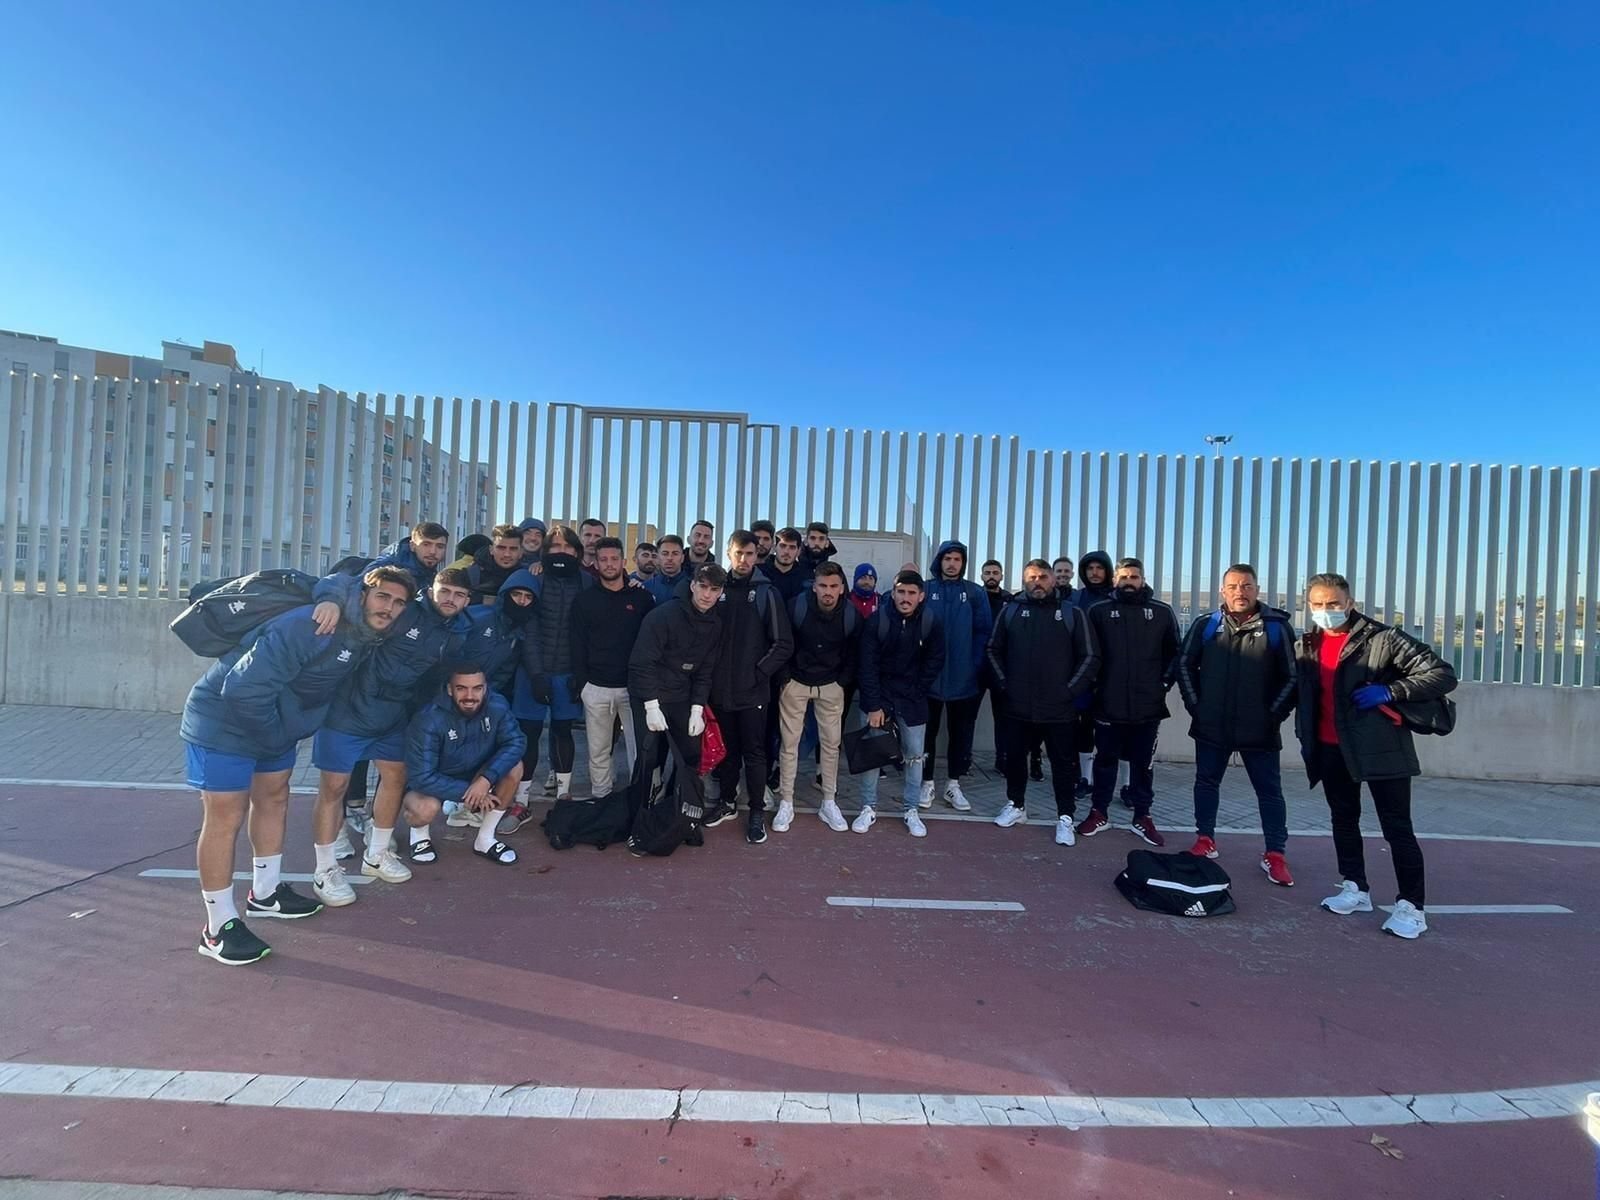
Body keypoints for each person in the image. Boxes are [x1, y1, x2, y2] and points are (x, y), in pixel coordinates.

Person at [181, 565, 413, 966]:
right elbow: (242, 689)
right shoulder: (310, 625)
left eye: (398, 603)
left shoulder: (360, 635)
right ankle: (217, 927)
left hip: (273, 723)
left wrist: (283, 731)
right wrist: (277, 734)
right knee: (225, 817)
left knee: (274, 799)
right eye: (382, 596)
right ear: (362, 595)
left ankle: (265, 894)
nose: (389, 607)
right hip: (223, 722)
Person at [1296, 572, 1457, 939]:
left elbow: (1442, 674)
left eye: (1333, 603)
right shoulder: (1306, 644)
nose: (1326, 610)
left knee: (1396, 826)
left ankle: (1412, 906)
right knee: (1343, 818)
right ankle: (1355, 887)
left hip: (1381, 749)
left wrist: (1391, 691)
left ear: (1350, 603)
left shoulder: (1384, 638)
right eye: (1318, 604)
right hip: (1330, 747)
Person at [311, 567, 475, 887]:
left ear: (467, 600)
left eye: (459, 595)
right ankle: (325, 869)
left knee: (396, 778)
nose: (450, 599)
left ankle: (377, 854)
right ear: (431, 591)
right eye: (444, 591)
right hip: (348, 709)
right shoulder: (404, 608)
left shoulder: (458, 631)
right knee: (333, 787)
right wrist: (329, 600)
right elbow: (346, 582)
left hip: (393, 714)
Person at [1174, 563, 1299, 883]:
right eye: (1232, 587)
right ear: (1222, 591)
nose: (1239, 592)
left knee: (1269, 792)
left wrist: (1273, 715)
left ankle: (1275, 854)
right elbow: (1184, 665)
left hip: (1260, 729)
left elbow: (1292, 677)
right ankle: (1205, 839)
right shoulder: (1206, 624)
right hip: (1211, 724)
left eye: (1246, 586)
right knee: (1206, 783)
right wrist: (1196, 706)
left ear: (1257, 590)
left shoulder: (1277, 627)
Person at [986, 560, 1100, 839]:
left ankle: (1065, 817)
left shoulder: (1072, 613)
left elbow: (1090, 656)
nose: (1037, 582)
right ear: (1025, 581)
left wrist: (1069, 691)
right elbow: (992, 650)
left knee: (1063, 764)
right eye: (1031, 578)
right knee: (1015, 759)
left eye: (1042, 577)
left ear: (1052, 580)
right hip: (1017, 704)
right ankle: (1016, 805)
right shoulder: (1011, 611)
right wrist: (1005, 685)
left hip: (1059, 707)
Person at [1075, 558, 1180, 847]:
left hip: (1148, 705)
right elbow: (1087, 653)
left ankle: (1143, 816)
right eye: (1124, 577)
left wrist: (1163, 684)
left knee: (1143, 764)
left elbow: (1175, 653)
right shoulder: (1098, 611)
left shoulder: (1161, 612)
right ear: (1115, 581)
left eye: (1134, 577)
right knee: (1105, 761)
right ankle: (1099, 812)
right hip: (1108, 703)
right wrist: (1095, 687)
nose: (1129, 582)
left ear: (1142, 580)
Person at [698, 530, 792, 843]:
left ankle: (755, 812)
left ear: (757, 555)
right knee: (727, 752)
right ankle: (727, 803)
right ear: (728, 553)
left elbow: (783, 643)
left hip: (753, 693)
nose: (743, 559)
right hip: (719, 691)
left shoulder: (767, 593)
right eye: (738, 553)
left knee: (754, 754)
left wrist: (758, 673)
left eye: (749, 554)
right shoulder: (716, 589)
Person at [627, 563, 725, 829]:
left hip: (681, 694)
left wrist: (697, 708)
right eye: (702, 587)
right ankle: (639, 816)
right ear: (692, 585)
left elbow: (705, 670)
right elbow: (642, 662)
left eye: (714, 589)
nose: (707, 594)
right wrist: (651, 705)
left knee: (690, 754)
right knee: (648, 756)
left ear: (720, 593)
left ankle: (677, 813)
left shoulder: (716, 623)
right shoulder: (664, 615)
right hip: (649, 694)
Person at [404, 665, 527, 866]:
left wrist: (486, 780)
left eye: (477, 688)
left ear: (485, 688)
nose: (470, 696)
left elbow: (516, 742)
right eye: (461, 688)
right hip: (437, 779)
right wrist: (472, 793)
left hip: (478, 774)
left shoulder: (497, 705)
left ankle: (485, 839)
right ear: (449, 689)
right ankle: (419, 837)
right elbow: (422, 777)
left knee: (514, 767)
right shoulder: (429, 718)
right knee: (425, 808)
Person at [855, 570, 946, 837]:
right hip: (878, 698)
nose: (906, 598)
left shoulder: (930, 622)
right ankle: (868, 807)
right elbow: (866, 665)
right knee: (873, 754)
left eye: (911, 593)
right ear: (892, 593)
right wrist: (873, 705)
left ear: (921, 596)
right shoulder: (877, 620)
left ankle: (911, 809)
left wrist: (918, 690)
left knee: (915, 756)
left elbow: (935, 660)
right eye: (901, 592)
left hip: (912, 699)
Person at [774, 562, 858, 833]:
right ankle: (786, 801)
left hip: (831, 684)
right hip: (796, 682)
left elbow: (855, 652)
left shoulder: (851, 614)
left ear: (842, 588)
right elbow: (782, 642)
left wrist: (842, 681)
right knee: (789, 744)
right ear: (814, 586)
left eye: (834, 586)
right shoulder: (795, 607)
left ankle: (829, 802)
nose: (828, 591)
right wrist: (785, 677)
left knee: (831, 745)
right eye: (823, 585)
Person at [571, 537, 655, 803]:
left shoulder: (642, 598)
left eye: (614, 559)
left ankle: (639, 799)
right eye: (603, 559)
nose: (609, 564)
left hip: (633, 688)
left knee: (638, 749)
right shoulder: (584, 600)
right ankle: (601, 798)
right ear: (595, 564)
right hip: (596, 687)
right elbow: (577, 644)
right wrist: (583, 685)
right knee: (598, 750)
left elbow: (652, 642)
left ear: (623, 561)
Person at [517, 524, 591, 804]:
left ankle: (563, 795)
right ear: (546, 551)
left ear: (577, 551)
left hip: (567, 674)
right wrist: (536, 674)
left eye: (568, 547)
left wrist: (580, 673)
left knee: (563, 732)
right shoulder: (534, 578)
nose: (562, 552)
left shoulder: (586, 582)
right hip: (532, 672)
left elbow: (588, 632)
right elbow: (528, 628)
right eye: (555, 546)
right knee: (529, 734)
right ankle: (521, 799)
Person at [921, 539, 992, 813]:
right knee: (927, 733)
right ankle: (926, 782)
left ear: (963, 563)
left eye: (957, 559)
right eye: (947, 558)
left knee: (960, 734)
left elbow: (984, 632)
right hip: (930, 678)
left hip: (964, 679)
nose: (952, 564)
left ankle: (953, 784)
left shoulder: (974, 593)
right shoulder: (926, 589)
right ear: (939, 560)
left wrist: (973, 665)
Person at [1071, 550, 1115, 786]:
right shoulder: (1076, 598)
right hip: (1084, 676)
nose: (1094, 573)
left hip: (1112, 676)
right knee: (1084, 728)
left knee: (1113, 733)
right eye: (1090, 568)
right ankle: (1084, 778)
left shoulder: (1117, 597)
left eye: (1099, 568)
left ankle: (1119, 782)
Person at [979, 559, 1011, 772]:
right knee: (967, 717)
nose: (991, 576)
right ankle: (964, 761)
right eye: (988, 572)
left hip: (1001, 668)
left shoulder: (1010, 600)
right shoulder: (975, 597)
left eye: (995, 572)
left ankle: (1003, 761)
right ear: (982, 576)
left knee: (1003, 718)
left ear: (1001, 576)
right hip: (978, 667)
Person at [466, 525, 525, 605]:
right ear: (491, 550)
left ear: (521, 552)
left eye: (513, 549)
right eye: (501, 548)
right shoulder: (470, 575)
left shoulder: (529, 577)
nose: (507, 554)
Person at [759, 526, 813, 603]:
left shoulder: (807, 576)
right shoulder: (759, 573)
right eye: (783, 546)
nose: (786, 552)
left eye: (792, 547)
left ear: (798, 551)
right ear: (774, 547)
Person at [645, 534, 688, 604]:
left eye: (675, 554)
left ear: (682, 558)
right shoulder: (646, 588)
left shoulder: (693, 587)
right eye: (665, 554)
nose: (670, 558)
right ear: (658, 557)